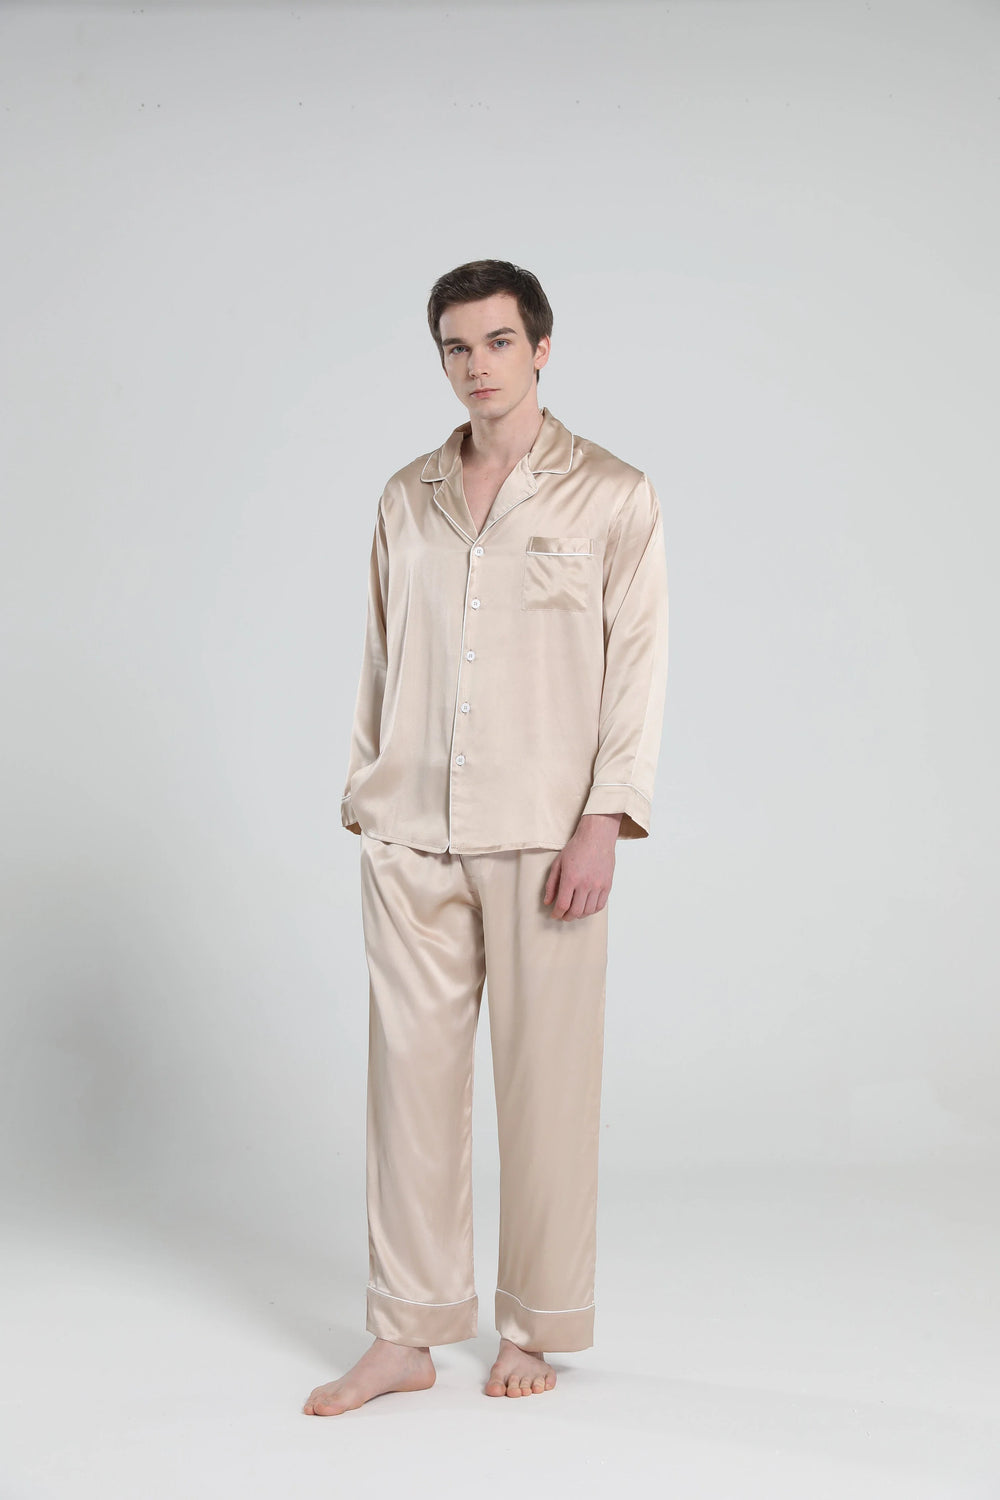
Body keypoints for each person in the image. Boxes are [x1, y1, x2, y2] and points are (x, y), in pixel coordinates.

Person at [304, 259, 669, 1415]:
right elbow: (379, 652)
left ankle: (535, 1326)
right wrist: (369, 795)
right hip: (411, 830)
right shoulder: (404, 495)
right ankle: (405, 1333)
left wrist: (603, 817)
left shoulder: (612, 495)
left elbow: (636, 670)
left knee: (546, 1087)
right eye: (457, 347)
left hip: (545, 837)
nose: (477, 365)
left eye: (498, 342)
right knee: (406, 1091)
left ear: (540, 349)